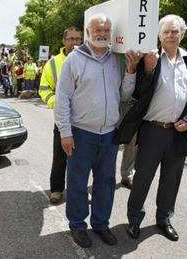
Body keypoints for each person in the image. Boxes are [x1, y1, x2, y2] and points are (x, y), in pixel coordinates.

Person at [115, 14, 187, 242]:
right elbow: (135, 92)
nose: (170, 35)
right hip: (152, 130)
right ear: (159, 35)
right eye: (166, 31)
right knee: (143, 178)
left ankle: (164, 219)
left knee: (171, 179)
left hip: (180, 132)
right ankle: (134, 219)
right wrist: (146, 70)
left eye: (175, 31)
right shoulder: (151, 58)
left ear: (182, 34)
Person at [54, 14, 139, 248]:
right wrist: (65, 133)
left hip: (109, 134)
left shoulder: (117, 59)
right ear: (88, 32)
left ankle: (101, 224)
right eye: (98, 30)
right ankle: (78, 225)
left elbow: (123, 95)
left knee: (106, 182)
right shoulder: (74, 59)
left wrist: (131, 69)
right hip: (81, 133)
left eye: (106, 30)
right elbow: (62, 99)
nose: (102, 33)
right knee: (78, 182)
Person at [39, 27, 82, 204]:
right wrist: (56, 105)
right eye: (71, 39)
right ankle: (56, 189)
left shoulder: (87, 59)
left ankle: (77, 191)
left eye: (78, 39)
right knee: (60, 156)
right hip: (63, 119)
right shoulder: (53, 63)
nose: (74, 43)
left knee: (81, 159)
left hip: (83, 119)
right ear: (64, 41)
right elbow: (43, 89)